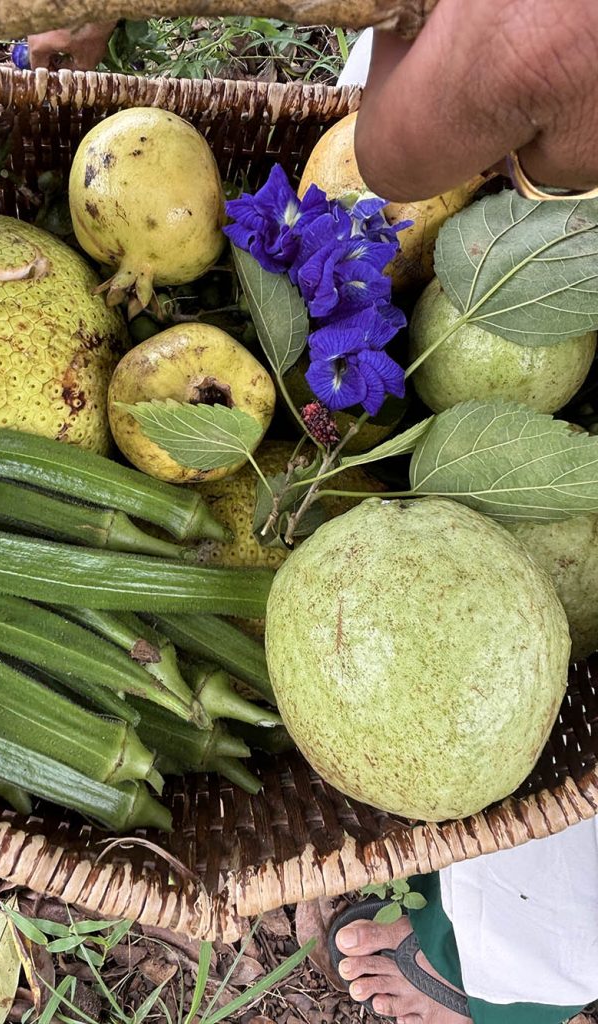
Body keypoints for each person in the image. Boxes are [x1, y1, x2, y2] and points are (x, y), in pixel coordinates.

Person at [328, 8, 598, 1022]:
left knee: (542, 813)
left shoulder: (527, 39)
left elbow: (397, 153)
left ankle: (521, 978)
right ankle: (507, 947)